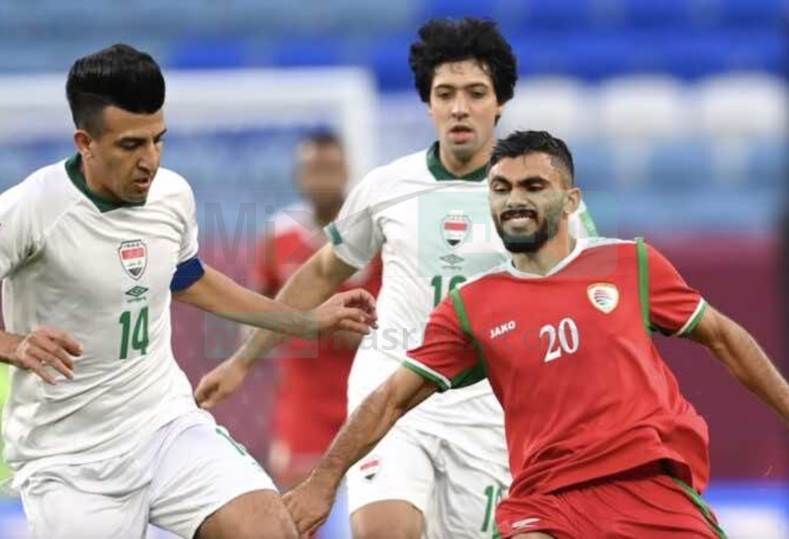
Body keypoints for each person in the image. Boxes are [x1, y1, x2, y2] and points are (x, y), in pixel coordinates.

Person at [195, 18, 596, 538]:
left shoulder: (542, 198)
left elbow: (590, 298)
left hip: (490, 406)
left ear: (499, 102)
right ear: (428, 104)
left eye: (475, 93)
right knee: (385, 528)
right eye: (445, 93)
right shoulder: (388, 187)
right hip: (393, 388)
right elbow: (323, 271)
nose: (459, 107)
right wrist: (244, 359)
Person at [283, 130, 789, 538]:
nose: (514, 200)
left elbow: (723, 337)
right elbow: (391, 398)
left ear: (570, 201)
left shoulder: (629, 263)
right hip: (547, 505)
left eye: (533, 186)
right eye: (501, 189)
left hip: (650, 489)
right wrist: (323, 482)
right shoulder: (471, 305)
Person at [0, 44, 375, 539]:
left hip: (164, 424)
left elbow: (190, 279)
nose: (150, 160)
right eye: (130, 145)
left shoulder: (172, 195)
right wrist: (13, 344)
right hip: (71, 457)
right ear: (85, 142)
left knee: (271, 529)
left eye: (158, 140)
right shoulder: (31, 208)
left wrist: (305, 320)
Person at [256, 130, 381, 488]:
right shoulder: (279, 235)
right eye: (314, 170)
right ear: (299, 175)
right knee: (297, 505)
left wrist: (367, 334)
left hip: (368, 395)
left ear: (346, 172)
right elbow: (256, 310)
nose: (322, 179)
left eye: (330, 169)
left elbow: (403, 306)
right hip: (304, 403)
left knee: (374, 503)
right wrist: (285, 329)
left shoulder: (374, 233)